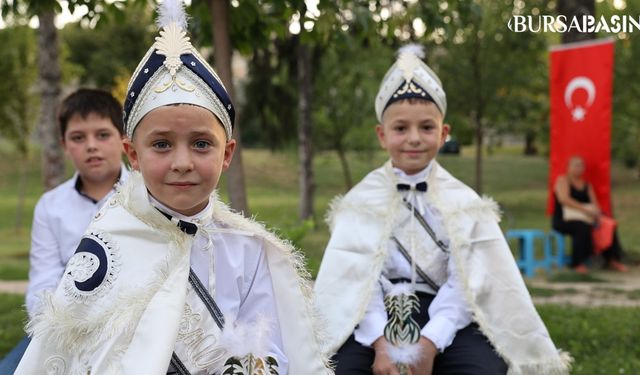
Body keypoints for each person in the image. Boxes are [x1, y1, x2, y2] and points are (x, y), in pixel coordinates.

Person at [15, 1, 331, 374]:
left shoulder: (247, 248)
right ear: (132, 154)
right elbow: (78, 350)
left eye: (201, 144)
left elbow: (266, 341)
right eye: (162, 144)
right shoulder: (109, 240)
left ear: (226, 153)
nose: (182, 162)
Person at [314, 45, 571, 375]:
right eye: (400, 128)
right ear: (381, 135)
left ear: (444, 133)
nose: (414, 138)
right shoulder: (360, 201)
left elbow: (466, 282)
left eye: (426, 127)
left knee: (482, 369)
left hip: (445, 314)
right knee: (338, 369)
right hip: (374, 316)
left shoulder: (463, 203)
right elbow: (357, 282)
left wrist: (431, 342)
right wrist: (381, 342)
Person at [0, 88, 128, 374]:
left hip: (128, 328)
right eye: (78, 138)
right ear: (64, 144)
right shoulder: (51, 206)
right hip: (62, 330)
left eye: (102, 135)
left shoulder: (146, 197)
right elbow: (43, 280)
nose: (91, 146)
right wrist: (60, 328)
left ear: (123, 139)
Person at [552, 155, 627, 273]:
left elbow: (595, 204)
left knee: (609, 225)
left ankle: (611, 259)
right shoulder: (563, 180)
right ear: (568, 167)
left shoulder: (586, 185)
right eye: (576, 165)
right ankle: (577, 262)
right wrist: (585, 210)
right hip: (564, 220)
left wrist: (597, 214)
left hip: (585, 218)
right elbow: (564, 199)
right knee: (581, 227)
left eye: (581, 166)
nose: (579, 168)